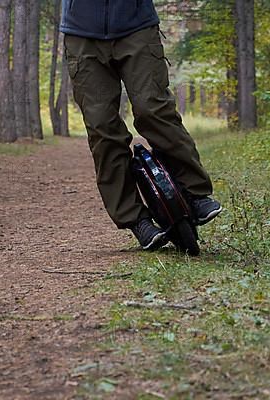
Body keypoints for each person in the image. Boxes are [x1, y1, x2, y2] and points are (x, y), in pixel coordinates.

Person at [60, 0, 223, 251]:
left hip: (136, 24)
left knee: (153, 109)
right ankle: (136, 219)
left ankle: (195, 193)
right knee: (102, 128)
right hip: (81, 31)